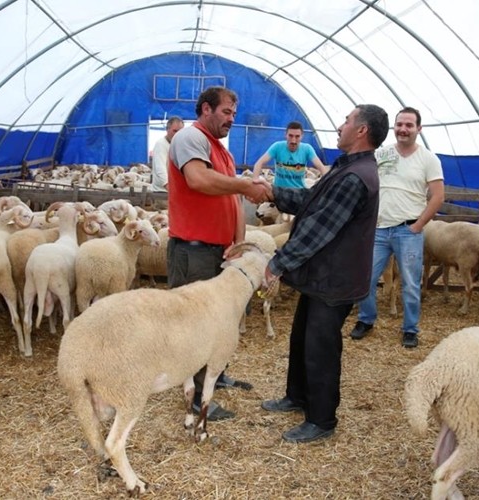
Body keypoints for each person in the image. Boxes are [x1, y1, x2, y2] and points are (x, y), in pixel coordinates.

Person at [258, 104, 389, 443]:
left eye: (347, 120)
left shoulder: (356, 177)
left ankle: (321, 419)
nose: (341, 124)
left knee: (321, 346)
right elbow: (311, 200)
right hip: (323, 276)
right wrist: (273, 192)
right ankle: (297, 396)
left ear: (361, 131)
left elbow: (318, 227)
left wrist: (277, 263)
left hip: (336, 279)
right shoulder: (346, 168)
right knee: (302, 336)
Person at [167, 86, 270, 421]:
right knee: (197, 323)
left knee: (221, 321)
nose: (231, 119)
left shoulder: (221, 152)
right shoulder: (189, 139)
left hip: (220, 251)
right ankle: (196, 396)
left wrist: (239, 244)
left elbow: (232, 201)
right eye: (226, 112)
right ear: (206, 109)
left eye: (234, 115)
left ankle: (216, 374)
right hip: (193, 249)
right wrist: (243, 184)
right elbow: (197, 180)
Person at [349, 106, 445, 348]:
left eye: (409, 125)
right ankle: (366, 319)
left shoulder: (429, 159)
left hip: (408, 230)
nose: (403, 129)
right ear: (394, 127)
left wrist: (419, 225)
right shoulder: (381, 154)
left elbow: (437, 196)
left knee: (411, 283)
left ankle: (410, 329)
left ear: (419, 129)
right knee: (366, 278)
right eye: (400, 124)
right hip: (379, 230)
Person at [252, 121, 329, 188]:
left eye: (297, 136)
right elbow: (259, 163)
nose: (293, 141)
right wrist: (255, 180)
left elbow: (321, 168)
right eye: (290, 136)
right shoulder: (277, 147)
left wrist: (327, 185)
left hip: (299, 192)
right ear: (286, 135)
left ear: (302, 136)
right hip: (279, 191)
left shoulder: (307, 149)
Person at [150, 116, 184, 192]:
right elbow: (160, 168)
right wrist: (169, 186)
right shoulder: (161, 144)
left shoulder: (180, 145)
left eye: (180, 131)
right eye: (174, 131)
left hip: (175, 191)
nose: (177, 134)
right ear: (167, 130)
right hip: (162, 192)